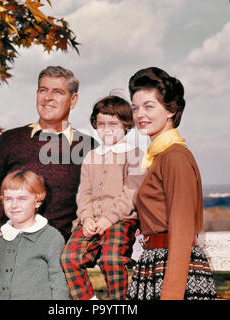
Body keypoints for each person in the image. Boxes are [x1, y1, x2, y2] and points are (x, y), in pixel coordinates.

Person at [0, 66, 96, 298]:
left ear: (73, 99)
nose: (48, 98)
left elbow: (101, 198)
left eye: (58, 92)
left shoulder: (87, 147)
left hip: (48, 256)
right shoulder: (11, 140)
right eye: (42, 90)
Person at [126, 67, 217, 300]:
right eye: (136, 107)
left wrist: (172, 293)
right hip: (153, 262)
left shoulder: (175, 157)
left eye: (149, 106)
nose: (139, 114)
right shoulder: (158, 157)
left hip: (173, 269)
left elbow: (182, 230)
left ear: (170, 110)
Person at [61, 95, 145, 300]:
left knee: (111, 258)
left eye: (113, 124)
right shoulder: (91, 157)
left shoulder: (135, 155)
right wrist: (87, 218)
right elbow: (84, 193)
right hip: (91, 221)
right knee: (69, 258)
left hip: (120, 220)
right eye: (101, 124)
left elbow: (130, 193)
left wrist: (108, 219)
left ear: (126, 125)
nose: (107, 129)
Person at [0, 169, 69, 300]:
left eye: (22, 198)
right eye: (8, 199)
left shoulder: (52, 238)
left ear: (37, 200)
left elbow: (59, 284)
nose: (14, 205)